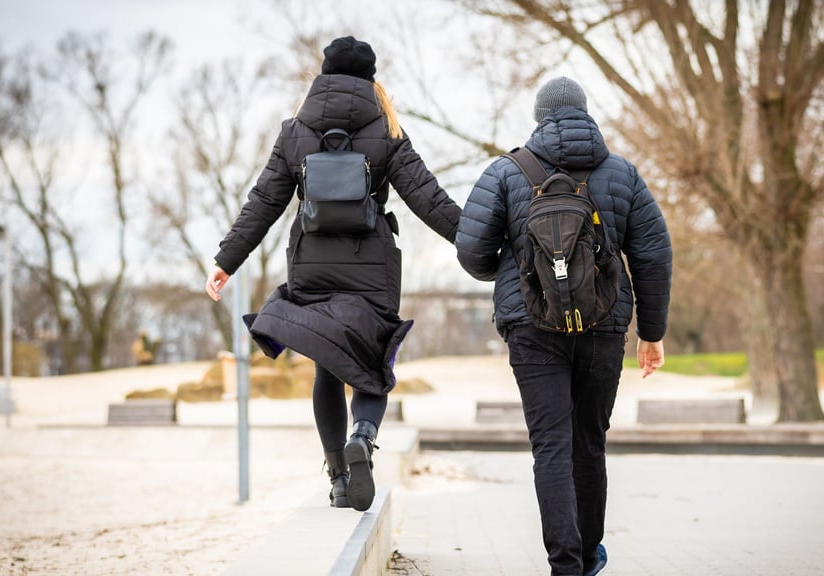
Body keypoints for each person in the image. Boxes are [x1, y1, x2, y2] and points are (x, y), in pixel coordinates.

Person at [205, 36, 460, 512]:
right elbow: (430, 200)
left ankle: (339, 479)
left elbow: (263, 203)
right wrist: (481, 243)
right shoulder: (387, 130)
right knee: (371, 362)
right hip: (372, 269)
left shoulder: (295, 131)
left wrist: (226, 261)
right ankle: (363, 436)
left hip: (312, 268)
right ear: (372, 80)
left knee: (328, 363)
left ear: (322, 76)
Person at [455, 77, 672, 576]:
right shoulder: (622, 174)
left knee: (550, 444)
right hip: (602, 326)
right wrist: (651, 332)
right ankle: (590, 554)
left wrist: (510, 271)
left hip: (532, 326)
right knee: (589, 442)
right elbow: (654, 254)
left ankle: (565, 565)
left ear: (539, 118)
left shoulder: (506, 173)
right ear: (585, 114)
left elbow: (470, 250)